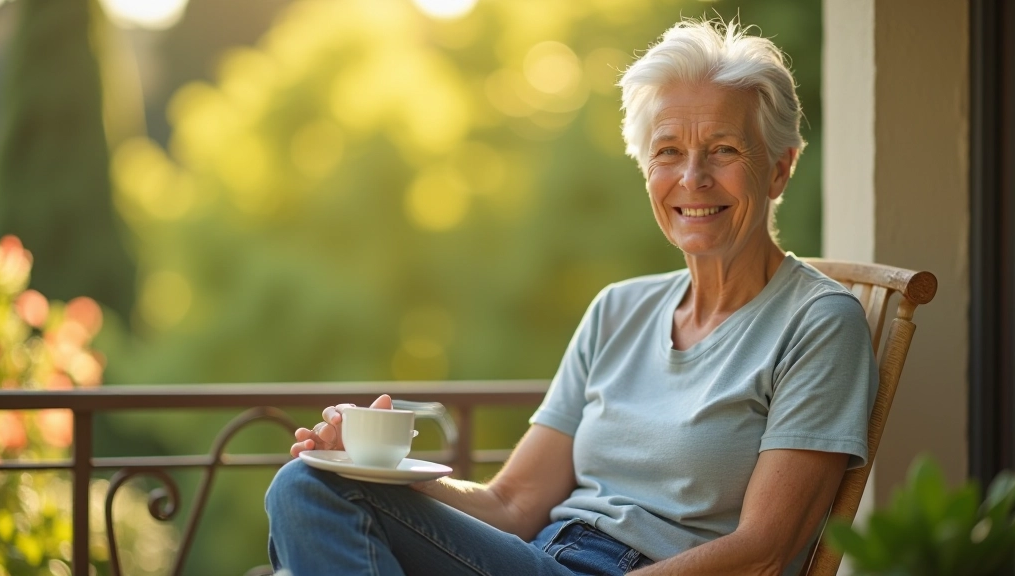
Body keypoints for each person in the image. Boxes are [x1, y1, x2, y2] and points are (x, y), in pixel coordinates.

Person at [265, 18, 877, 576]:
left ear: (779, 168)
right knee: (309, 483)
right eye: (668, 151)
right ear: (647, 169)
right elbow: (512, 503)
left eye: (723, 149)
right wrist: (367, 470)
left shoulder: (818, 324)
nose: (693, 178)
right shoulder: (619, 309)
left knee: (303, 509)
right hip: (539, 557)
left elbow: (763, 553)